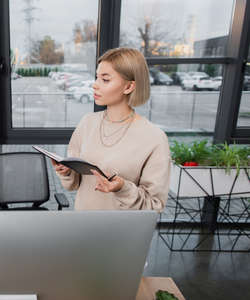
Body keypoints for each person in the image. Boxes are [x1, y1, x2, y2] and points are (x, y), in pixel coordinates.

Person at [52, 47, 170, 211]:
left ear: (129, 87)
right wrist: (66, 172)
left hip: (122, 232)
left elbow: (154, 205)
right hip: (83, 227)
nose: (95, 85)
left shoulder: (154, 138)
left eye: (105, 80)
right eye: (97, 78)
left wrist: (123, 188)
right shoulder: (87, 123)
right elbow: (74, 184)